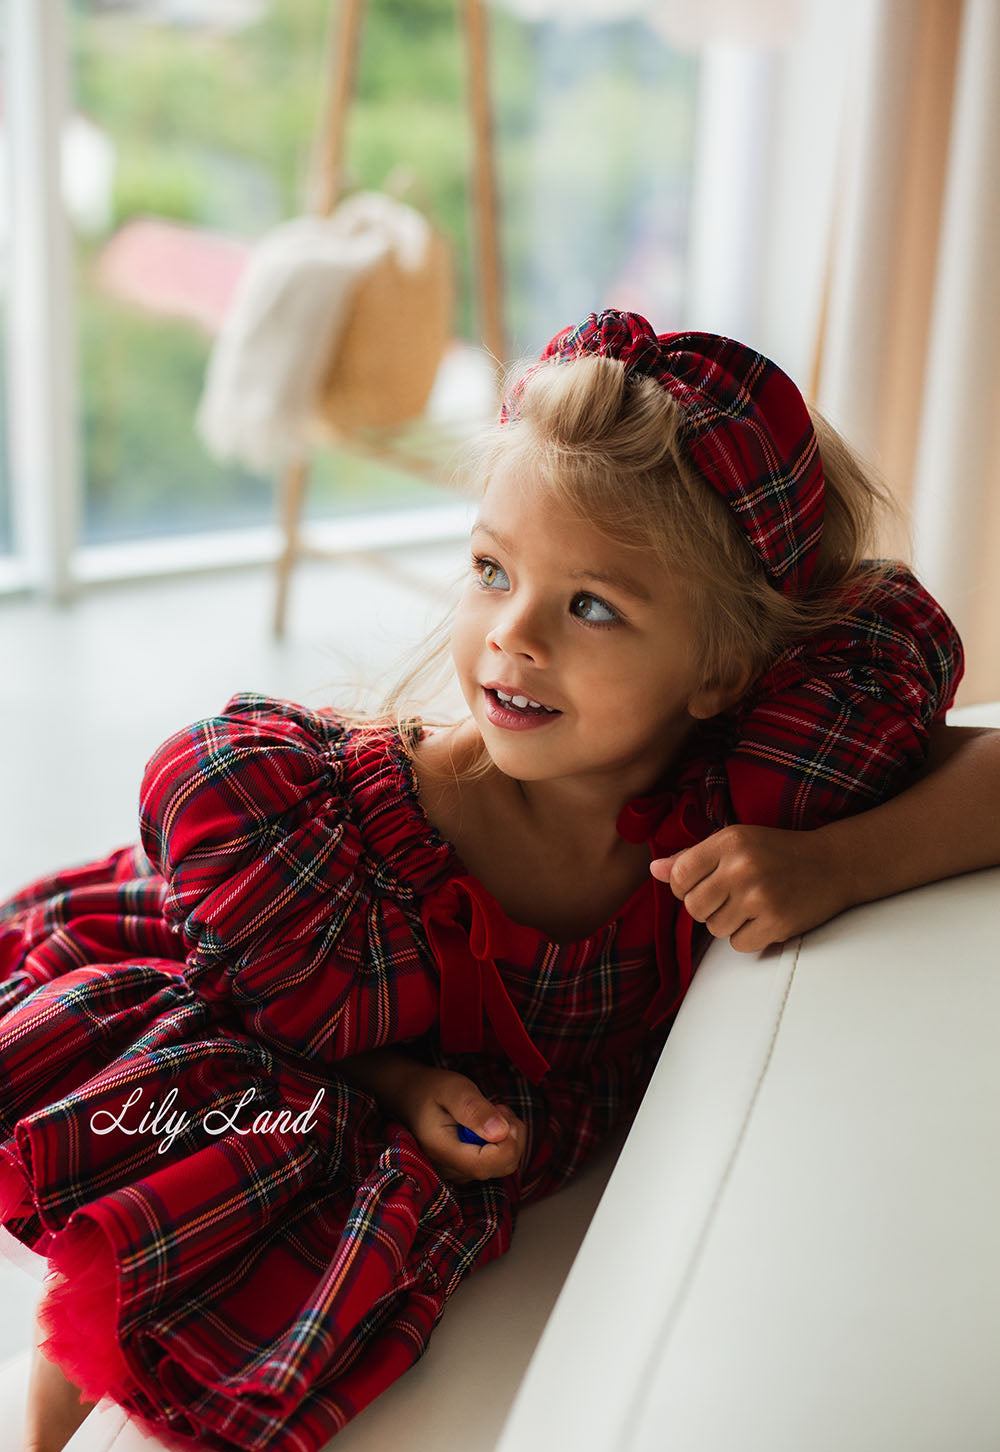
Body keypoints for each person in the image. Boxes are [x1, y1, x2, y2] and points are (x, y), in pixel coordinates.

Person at [1, 310, 996, 1452]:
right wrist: (401, 1082)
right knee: (211, 1162)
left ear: (722, 669)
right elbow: (247, 1014)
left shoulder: (752, 792)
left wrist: (834, 864)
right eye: (489, 570)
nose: (511, 636)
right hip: (242, 998)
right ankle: (52, 1387)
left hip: (460, 1096)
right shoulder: (349, 834)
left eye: (590, 606)